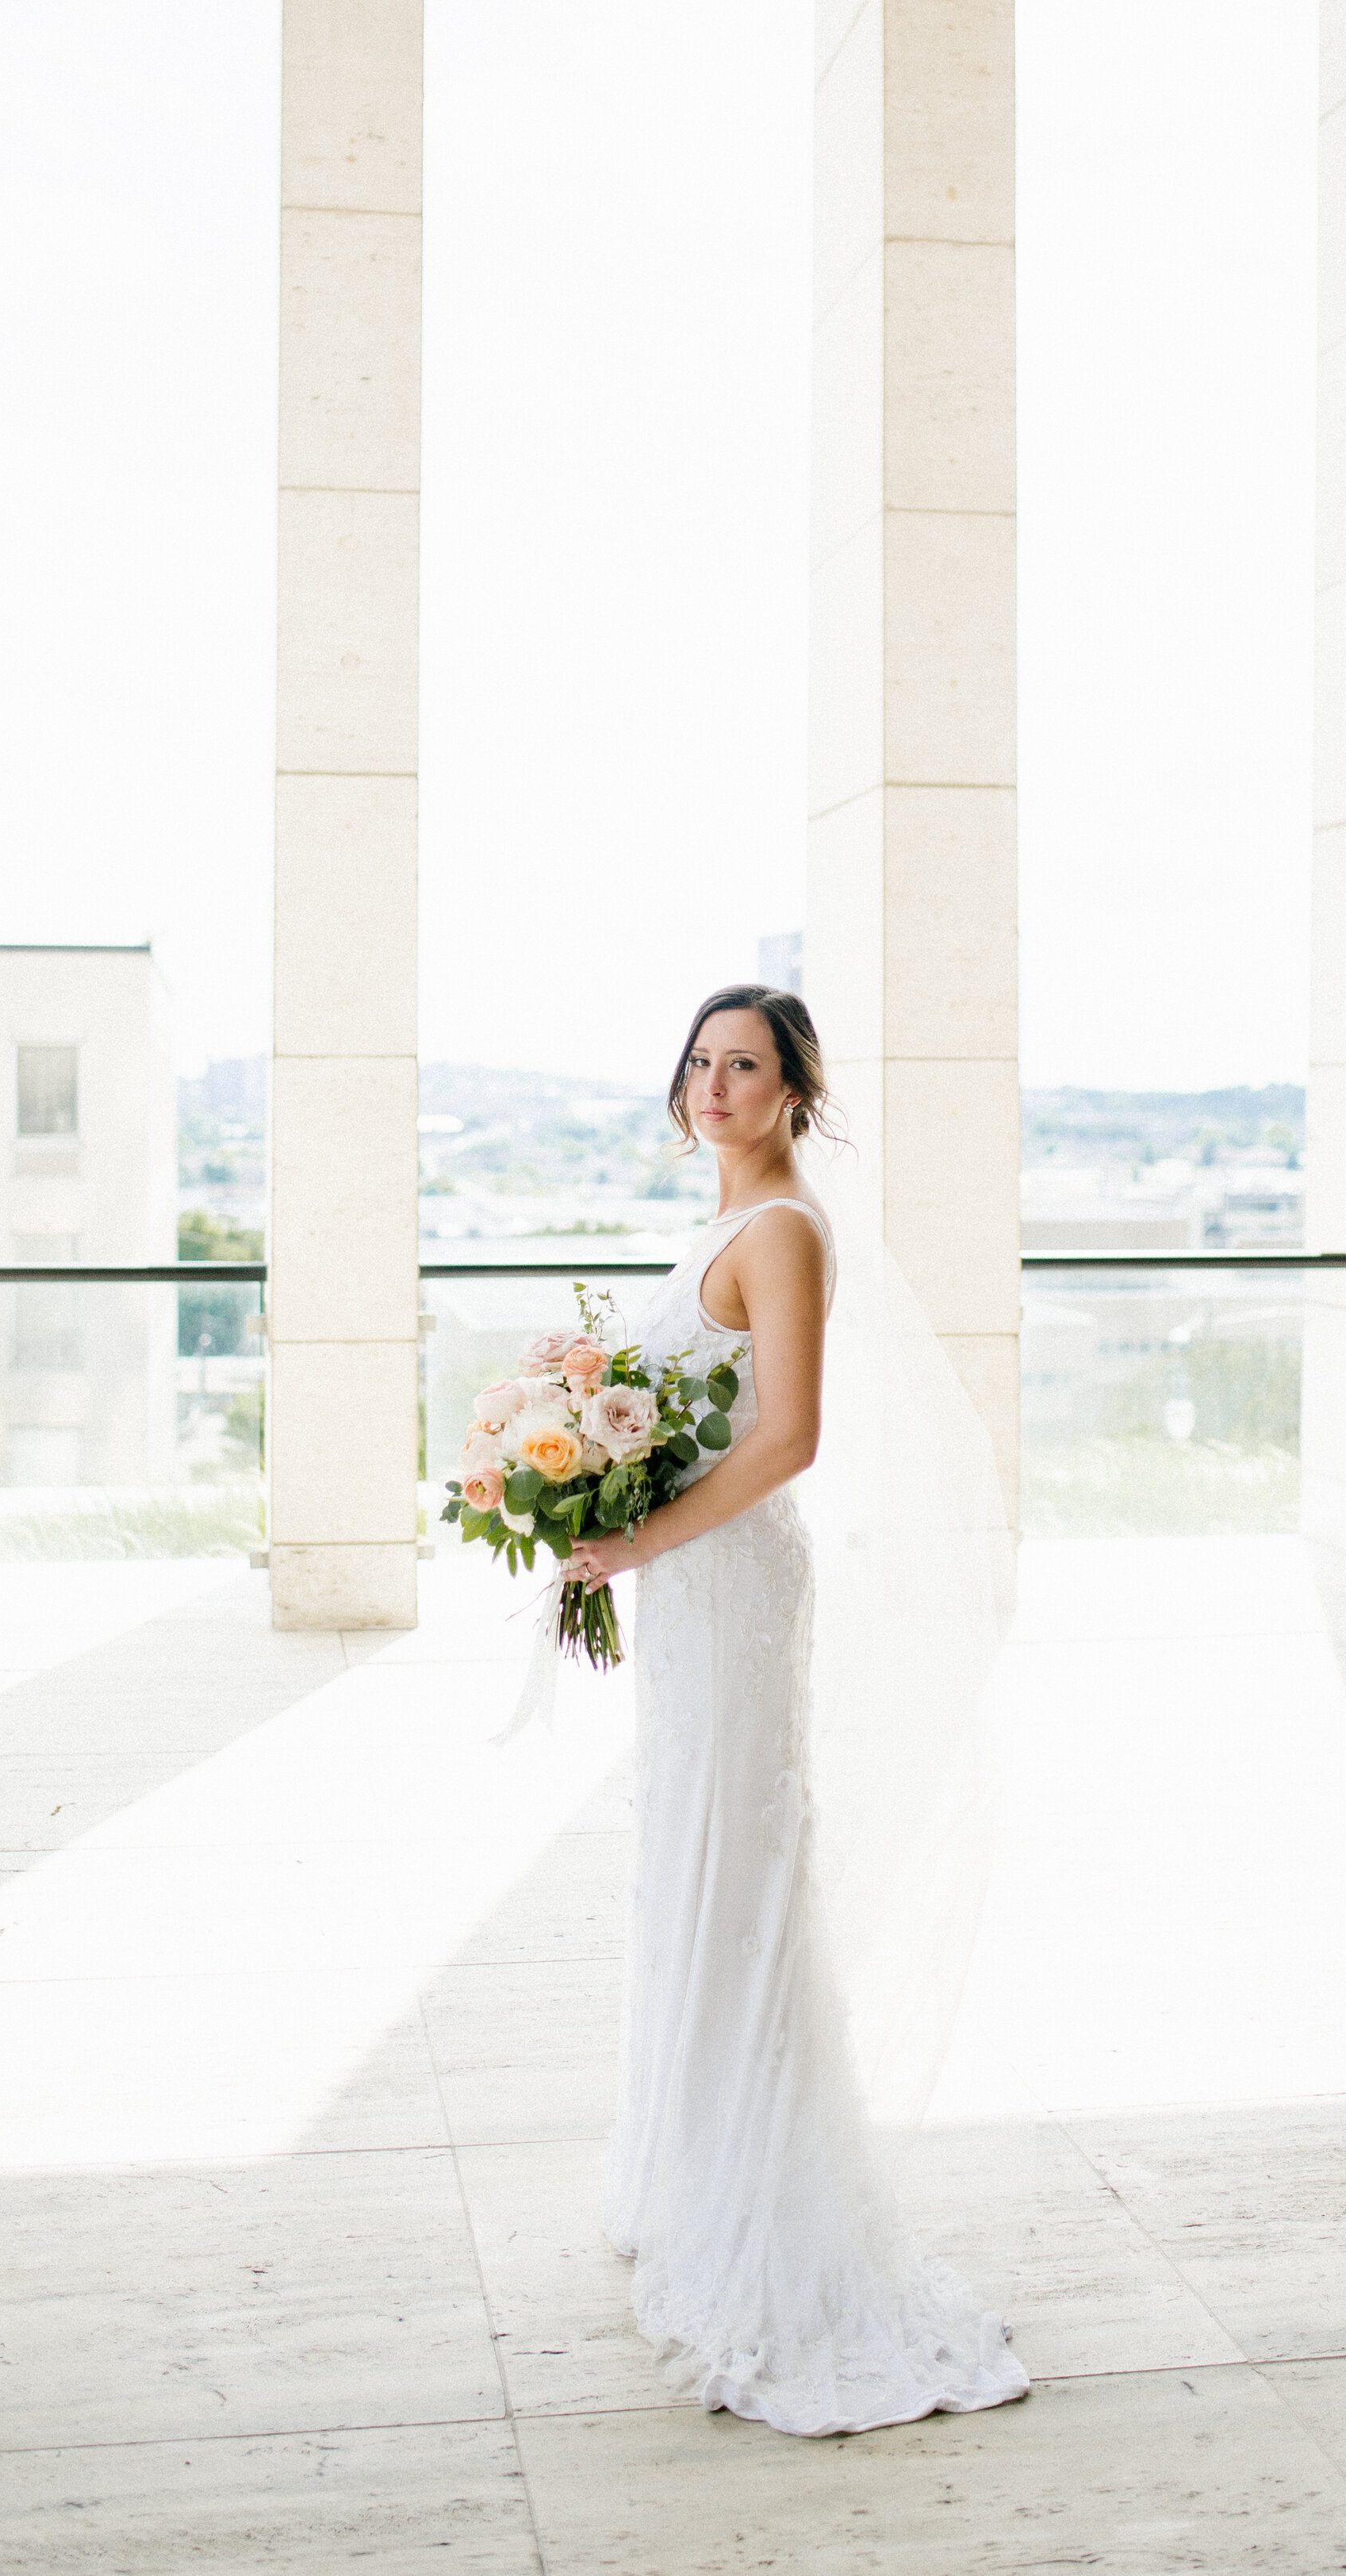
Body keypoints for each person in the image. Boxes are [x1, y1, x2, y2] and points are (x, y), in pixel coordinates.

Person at [562, 985, 1029, 2436]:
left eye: (744, 1066)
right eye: (700, 1061)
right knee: (687, 1855)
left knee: (739, 1866)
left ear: (794, 1092)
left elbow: (791, 1435)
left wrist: (635, 1537)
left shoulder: (782, 1231)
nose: (714, 1083)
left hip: (731, 1582)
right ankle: (694, 2163)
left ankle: (765, 2207)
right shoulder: (720, 1219)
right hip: (692, 1589)